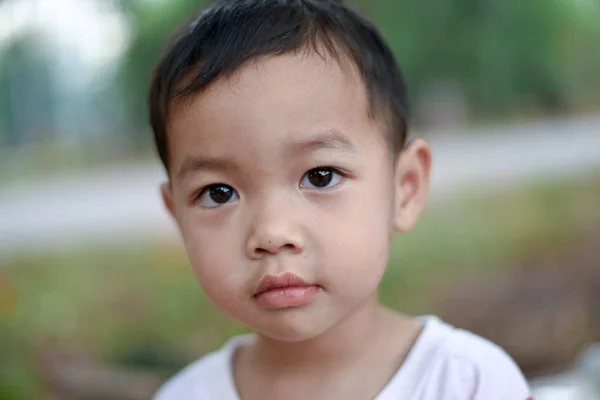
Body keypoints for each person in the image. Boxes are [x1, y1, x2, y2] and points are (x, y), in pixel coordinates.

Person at [149, 0, 532, 398]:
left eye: (320, 176)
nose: (272, 233)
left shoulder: (468, 382)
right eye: (218, 193)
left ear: (405, 188)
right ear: (177, 216)